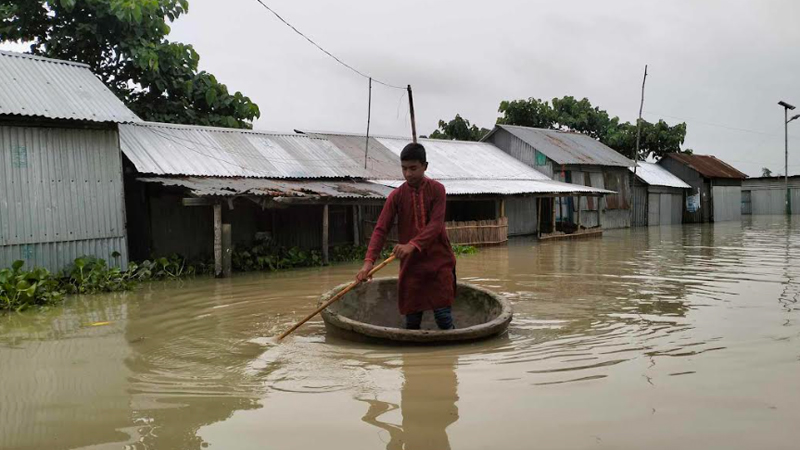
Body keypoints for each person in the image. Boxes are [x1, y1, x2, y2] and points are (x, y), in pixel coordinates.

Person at [356, 143, 457, 330]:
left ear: (425, 166)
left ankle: (449, 357)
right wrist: (368, 262)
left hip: (439, 261)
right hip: (412, 266)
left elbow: (435, 225)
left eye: (413, 168)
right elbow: (380, 229)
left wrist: (412, 244)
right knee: (412, 320)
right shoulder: (396, 196)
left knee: (443, 318)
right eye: (404, 168)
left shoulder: (438, 190)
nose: (408, 174)